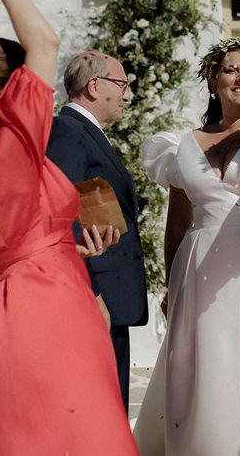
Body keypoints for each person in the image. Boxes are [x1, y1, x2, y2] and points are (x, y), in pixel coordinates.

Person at [0, 0, 138, 454]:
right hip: (52, 308)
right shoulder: (15, 136)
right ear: (13, 91)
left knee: (33, 432)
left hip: (14, 304)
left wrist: (61, 247)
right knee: (84, 433)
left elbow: (7, 243)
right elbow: (45, 42)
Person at [133, 36, 240, 456]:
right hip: (199, 264)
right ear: (213, 80)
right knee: (206, 365)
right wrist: (172, 286)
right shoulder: (181, 143)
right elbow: (177, 221)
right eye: (230, 69)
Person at [46, 50, 148, 409]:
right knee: (98, 405)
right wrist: (94, 293)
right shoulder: (67, 133)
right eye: (121, 85)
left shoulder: (88, 133)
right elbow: (61, 217)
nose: (127, 95)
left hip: (111, 298)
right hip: (96, 297)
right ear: (94, 86)